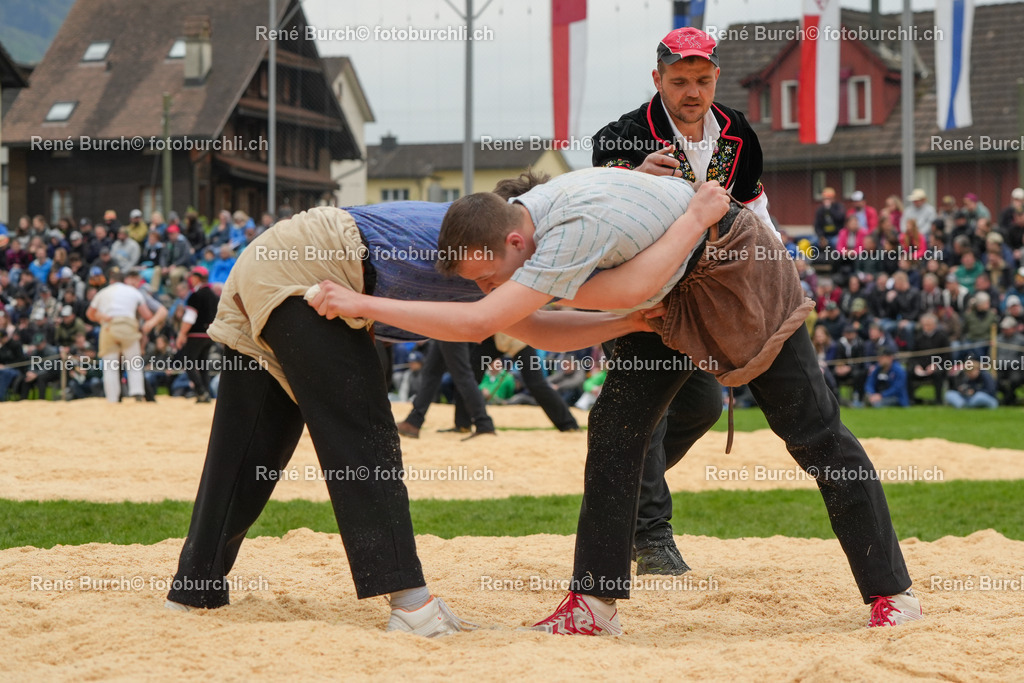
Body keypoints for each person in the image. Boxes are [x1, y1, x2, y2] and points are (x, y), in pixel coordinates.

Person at [310, 167, 921, 634]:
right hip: (663, 291)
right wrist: (633, 310)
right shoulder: (532, 219)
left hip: (733, 270)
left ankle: (894, 594)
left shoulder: (568, 233)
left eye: (488, 275)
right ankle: (595, 602)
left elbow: (491, 321)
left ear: (516, 240)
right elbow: (542, 325)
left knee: (814, 433)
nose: (487, 287)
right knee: (615, 427)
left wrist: (360, 305)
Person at [165, 200, 658, 636]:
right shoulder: (495, 244)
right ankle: (412, 605)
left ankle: (196, 585)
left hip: (270, 261)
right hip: (316, 267)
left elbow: (536, 328)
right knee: (362, 434)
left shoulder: (501, 246)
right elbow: (511, 321)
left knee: (250, 440)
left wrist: (628, 321)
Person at [589, 25, 776, 573]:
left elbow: (754, 206)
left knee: (701, 406)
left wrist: (775, 268)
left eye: (701, 80)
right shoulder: (621, 136)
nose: (692, 92)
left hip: (700, 292)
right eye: (679, 81)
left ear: (716, 77)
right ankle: (652, 538)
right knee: (643, 412)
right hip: (638, 291)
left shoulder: (739, 133)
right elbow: (596, 209)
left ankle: (619, 482)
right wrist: (634, 179)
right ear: (657, 79)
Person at [86, 268, 153, 402]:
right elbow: (147, 315)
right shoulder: (134, 292)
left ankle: (112, 398)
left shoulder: (103, 292)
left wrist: (101, 317)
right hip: (128, 326)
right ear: (124, 280)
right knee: (133, 361)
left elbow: (89, 314)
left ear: (111, 281)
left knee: (110, 366)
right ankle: (137, 392)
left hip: (108, 327)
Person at [175, 266, 220, 403]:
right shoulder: (214, 295)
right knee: (203, 365)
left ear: (196, 278)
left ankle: (200, 391)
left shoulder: (196, 295)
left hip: (196, 334)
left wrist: (181, 334)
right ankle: (206, 393)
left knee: (188, 362)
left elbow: (190, 317)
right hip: (209, 334)